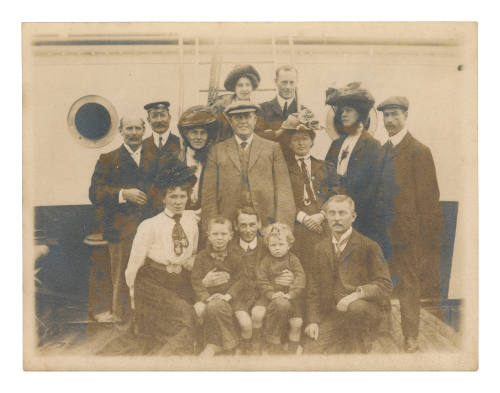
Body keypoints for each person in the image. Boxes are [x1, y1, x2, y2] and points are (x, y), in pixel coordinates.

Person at [377, 96, 443, 353]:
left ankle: (410, 336)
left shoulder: (419, 151)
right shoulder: (383, 151)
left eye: (394, 115)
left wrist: (427, 240)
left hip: (407, 235)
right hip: (383, 233)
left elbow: (429, 200)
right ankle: (381, 328)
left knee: (408, 285)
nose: (390, 120)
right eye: (386, 116)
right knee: (381, 280)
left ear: (406, 116)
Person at [89, 116, 159, 327]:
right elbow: (95, 193)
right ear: (121, 131)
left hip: (150, 228)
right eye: (129, 128)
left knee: (150, 275)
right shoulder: (108, 158)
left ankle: (147, 324)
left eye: (138, 128)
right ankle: (122, 324)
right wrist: (122, 193)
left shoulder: (155, 158)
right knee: (121, 277)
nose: (134, 132)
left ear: (144, 130)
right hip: (121, 230)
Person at [124, 166, 199, 355]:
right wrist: (133, 295)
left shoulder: (191, 222)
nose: (178, 201)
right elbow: (135, 263)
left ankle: (171, 354)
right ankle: (164, 359)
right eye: (173, 196)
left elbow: (192, 252)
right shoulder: (150, 225)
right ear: (163, 199)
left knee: (193, 313)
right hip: (152, 282)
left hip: (179, 280)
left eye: (182, 196)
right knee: (185, 316)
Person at [304, 195, 392, 354]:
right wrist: (312, 321)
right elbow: (313, 289)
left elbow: (384, 286)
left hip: (363, 312)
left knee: (352, 353)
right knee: (309, 352)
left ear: (353, 217)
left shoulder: (368, 246)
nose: (336, 218)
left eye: (342, 213)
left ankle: (360, 341)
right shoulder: (320, 248)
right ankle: (341, 339)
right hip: (334, 314)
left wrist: (355, 295)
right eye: (331, 213)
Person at [324, 82, 396, 257]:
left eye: (349, 110)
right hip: (334, 220)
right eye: (342, 110)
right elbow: (325, 177)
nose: (343, 114)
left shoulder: (373, 147)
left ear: (361, 114)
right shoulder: (336, 145)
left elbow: (373, 190)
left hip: (361, 221)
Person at [201, 101, 296, 232]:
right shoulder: (217, 151)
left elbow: (284, 192)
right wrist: (212, 230)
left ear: (255, 119)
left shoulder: (272, 148)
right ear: (230, 121)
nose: (243, 121)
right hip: (228, 227)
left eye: (247, 117)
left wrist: (282, 229)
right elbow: (209, 196)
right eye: (238, 117)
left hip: (266, 226)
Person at [279, 109, 338, 273]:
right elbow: (283, 198)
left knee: (326, 263)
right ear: (290, 144)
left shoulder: (325, 167)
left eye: (305, 139)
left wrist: (321, 215)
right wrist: (304, 218)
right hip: (298, 223)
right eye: (296, 140)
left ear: (312, 141)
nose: (301, 143)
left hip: (323, 222)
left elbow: (335, 193)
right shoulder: (283, 169)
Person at [191, 217, 244, 357]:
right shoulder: (202, 257)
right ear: (208, 235)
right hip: (208, 296)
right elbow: (195, 280)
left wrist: (228, 295)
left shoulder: (236, 255)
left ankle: (223, 345)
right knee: (199, 309)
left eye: (223, 234)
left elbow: (241, 279)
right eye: (215, 234)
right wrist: (206, 297)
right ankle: (206, 343)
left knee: (217, 308)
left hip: (229, 297)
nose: (219, 238)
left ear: (231, 236)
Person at [256, 223, 306, 354]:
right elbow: (262, 280)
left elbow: (300, 278)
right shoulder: (266, 261)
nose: (277, 248)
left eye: (281, 244)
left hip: (291, 297)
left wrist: (291, 294)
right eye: (273, 245)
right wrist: (271, 293)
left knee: (297, 322)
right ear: (268, 245)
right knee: (264, 313)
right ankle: (273, 343)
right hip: (270, 297)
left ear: (289, 245)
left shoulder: (293, 260)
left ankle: (292, 348)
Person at [177, 105, 219, 212]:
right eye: (194, 132)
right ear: (186, 134)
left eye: (203, 133)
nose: (199, 137)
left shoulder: (215, 159)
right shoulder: (177, 159)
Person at [211, 64, 262, 142]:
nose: (244, 89)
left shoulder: (257, 110)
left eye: (247, 85)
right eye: (240, 85)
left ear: (252, 87)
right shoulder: (220, 107)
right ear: (234, 87)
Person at [257, 65, 299, 140]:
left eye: (292, 82)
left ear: (297, 83)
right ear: (275, 82)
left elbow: (309, 140)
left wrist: (270, 133)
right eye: (284, 82)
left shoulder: (303, 111)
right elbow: (256, 137)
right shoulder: (262, 109)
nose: (288, 87)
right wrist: (280, 131)